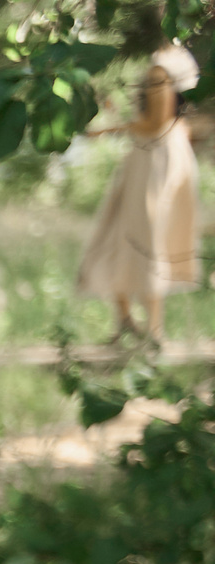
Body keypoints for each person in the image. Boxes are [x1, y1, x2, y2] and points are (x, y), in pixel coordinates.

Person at [76, 44, 202, 343]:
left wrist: (110, 128)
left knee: (144, 237)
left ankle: (153, 329)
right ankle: (130, 322)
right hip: (152, 159)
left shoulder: (162, 68)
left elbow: (158, 122)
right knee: (124, 235)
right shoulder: (169, 66)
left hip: (154, 162)